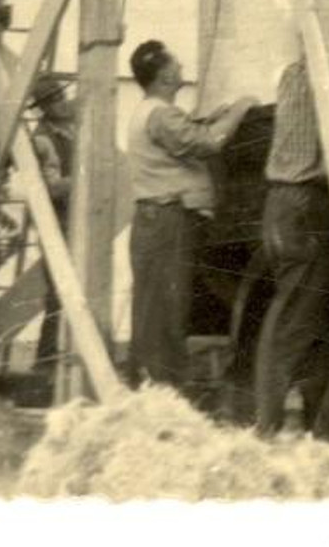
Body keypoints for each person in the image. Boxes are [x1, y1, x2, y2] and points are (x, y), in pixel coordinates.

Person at [126, 39, 256, 392]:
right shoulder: (161, 115)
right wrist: (239, 110)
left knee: (155, 308)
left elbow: (189, 132)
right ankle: (164, 391)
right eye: (177, 63)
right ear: (166, 74)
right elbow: (209, 143)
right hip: (169, 219)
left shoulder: (149, 112)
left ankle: (152, 387)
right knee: (168, 309)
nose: (182, 67)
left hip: (157, 219)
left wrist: (211, 118)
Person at [254, 56, 329, 438]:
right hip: (304, 203)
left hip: (281, 203)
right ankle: (271, 423)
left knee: (303, 315)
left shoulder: (292, 73)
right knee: (297, 319)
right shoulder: (327, 71)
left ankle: (293, 422)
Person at [29, 73, 74, 378]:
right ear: (44, 106)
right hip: (56, 222)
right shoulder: (43, 139)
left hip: (75, 219)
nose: (62, 102)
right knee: (59, 292)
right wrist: (85, 176)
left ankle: (67, 357)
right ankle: (44, 363)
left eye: (61, 96)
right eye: (55, 99)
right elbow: (52, 187)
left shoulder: (70, 129)